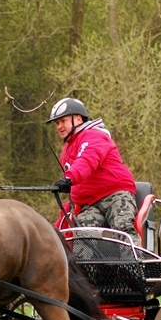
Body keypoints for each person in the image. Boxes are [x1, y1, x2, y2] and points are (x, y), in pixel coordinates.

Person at [48, 97, 141, 245]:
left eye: (63, 121)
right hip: (90, 203)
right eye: (57, 123)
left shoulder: (94, 135)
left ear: (78, 119)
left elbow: (88, 159)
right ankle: (90, 268)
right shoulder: (67, 150)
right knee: (83, 233)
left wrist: (69, 178)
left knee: (122, 228)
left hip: (115, 194)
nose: (59, 126)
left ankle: (134, 267)